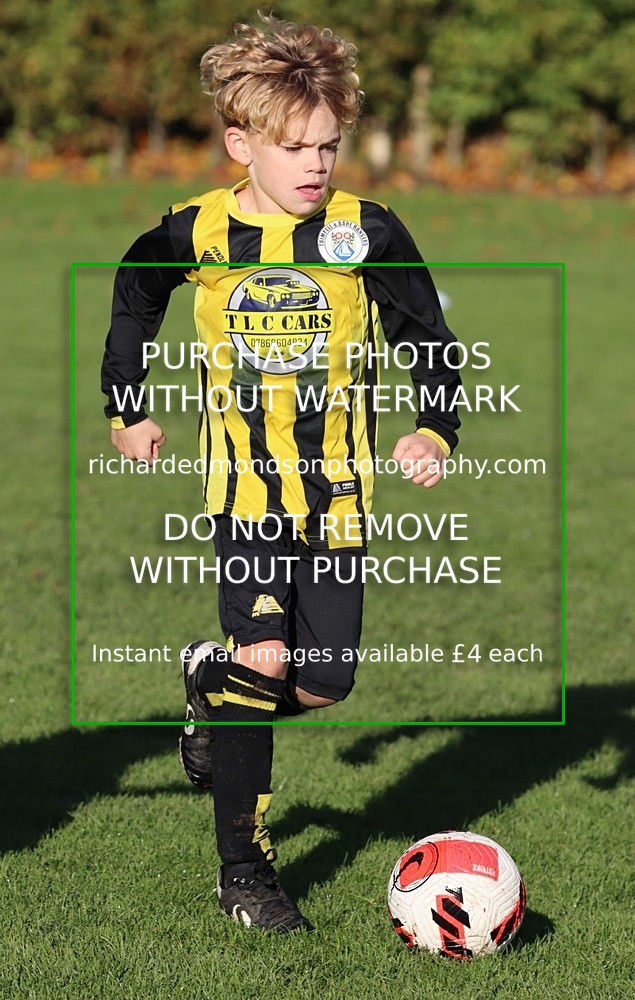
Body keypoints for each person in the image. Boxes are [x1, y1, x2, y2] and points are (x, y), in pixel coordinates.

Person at [102, 11, 461, 933]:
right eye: (294, 147)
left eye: (328, 147)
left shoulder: (365, 231)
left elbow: (429, 335)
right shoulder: (199, 231)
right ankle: (246, 877)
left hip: (340, 496)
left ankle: (209, 689)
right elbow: (134, 296)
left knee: (320, 686)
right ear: (241, 144)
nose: (314, 165)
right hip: (246, 496)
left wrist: (435, 428)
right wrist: (126, 404)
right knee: (263, 658)